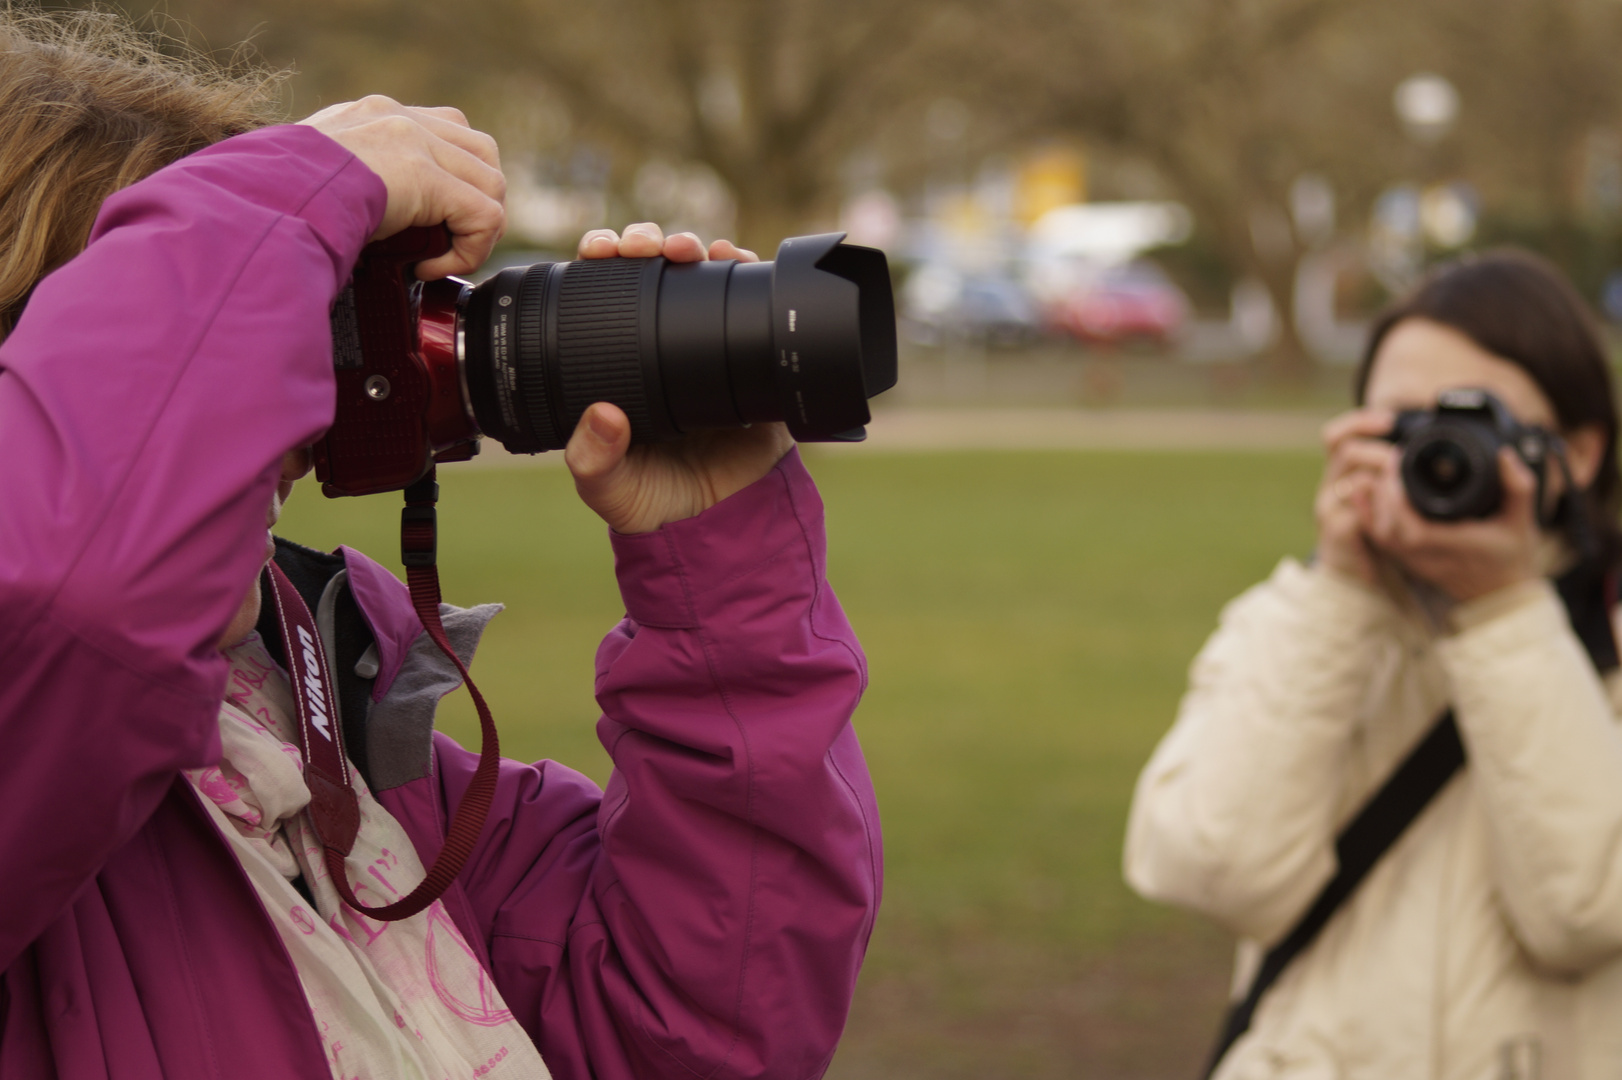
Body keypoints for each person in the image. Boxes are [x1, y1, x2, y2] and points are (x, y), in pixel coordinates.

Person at [0, 11, 880, 1080]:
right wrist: (290, 192)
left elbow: (695, 1028)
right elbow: (71, 591)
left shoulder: (314, 695)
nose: (295, 406)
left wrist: (720, 579)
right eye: (231, 338)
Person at [1125, 250, 1622, 1080]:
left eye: (1476, 425)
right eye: (1404, 426)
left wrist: (1502, 611)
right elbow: (1214, 871)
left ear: (1576, 450)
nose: (1438, 460)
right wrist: (1341, 594)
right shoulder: (1294, 626)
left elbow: (1582, 908)